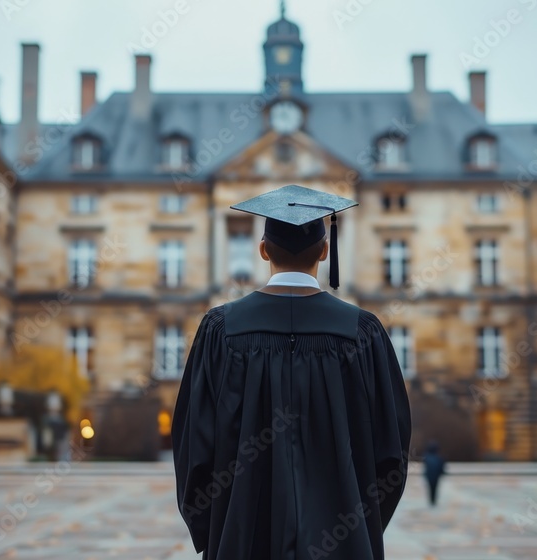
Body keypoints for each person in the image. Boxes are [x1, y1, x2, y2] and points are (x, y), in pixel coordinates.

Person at [172, 184, 412, 560]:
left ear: (263, 249)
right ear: (325, 250)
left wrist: (216, 529)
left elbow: (194, 448)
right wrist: (360, 529)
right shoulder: (362, 333)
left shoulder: (221, 330)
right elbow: (391, 453)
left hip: (241, 539)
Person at [422, 442, 445, 507]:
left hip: (430, 476)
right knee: (434, 488)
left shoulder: (427, 457)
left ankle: (432, 501)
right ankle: (433, 501)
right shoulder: (438, 458)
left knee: (431, 488)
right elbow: (441, 466)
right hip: (435, 476)